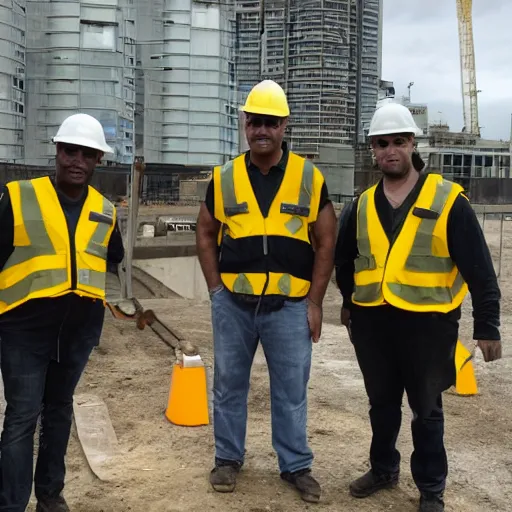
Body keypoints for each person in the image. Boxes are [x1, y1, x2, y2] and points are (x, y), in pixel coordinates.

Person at [334, 102, 502, 512]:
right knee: (382, 405)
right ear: (372, 150)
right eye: (380, 143)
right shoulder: (360, 206)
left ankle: (430, 489)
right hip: (373, 323)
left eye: (398, 141)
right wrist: (348, 303)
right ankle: (383, 468)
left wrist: (488, 326)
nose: (389, 150)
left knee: (426, 410)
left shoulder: (449, 201)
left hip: (428, 326)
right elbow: (344, 259)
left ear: (412, 144)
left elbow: (479, 269)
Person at [196, 80, 337, 503]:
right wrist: (216, 290)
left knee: (291, 390)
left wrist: (315, 302)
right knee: (228, 386)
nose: (262, 130)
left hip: (290, 308)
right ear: (245, 123)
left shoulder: (309, 177)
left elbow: (326, 241)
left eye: (270, 123)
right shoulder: (223, 178)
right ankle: (227, 458)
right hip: (234, 305)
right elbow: (205, 233)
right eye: (255, 121)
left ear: (283, 126)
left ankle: (295, 465)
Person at [0, 113, 125, 512]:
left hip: (77, 330)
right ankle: (11, 503)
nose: (77, 160)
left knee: (58, 411)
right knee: (22, 416)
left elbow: (112, 255)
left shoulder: (105, 210)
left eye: (87, 154)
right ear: (57, 151)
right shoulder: (18, 196)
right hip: (23, 328)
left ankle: (50, 496)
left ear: (97, 161)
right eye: (70, 150)